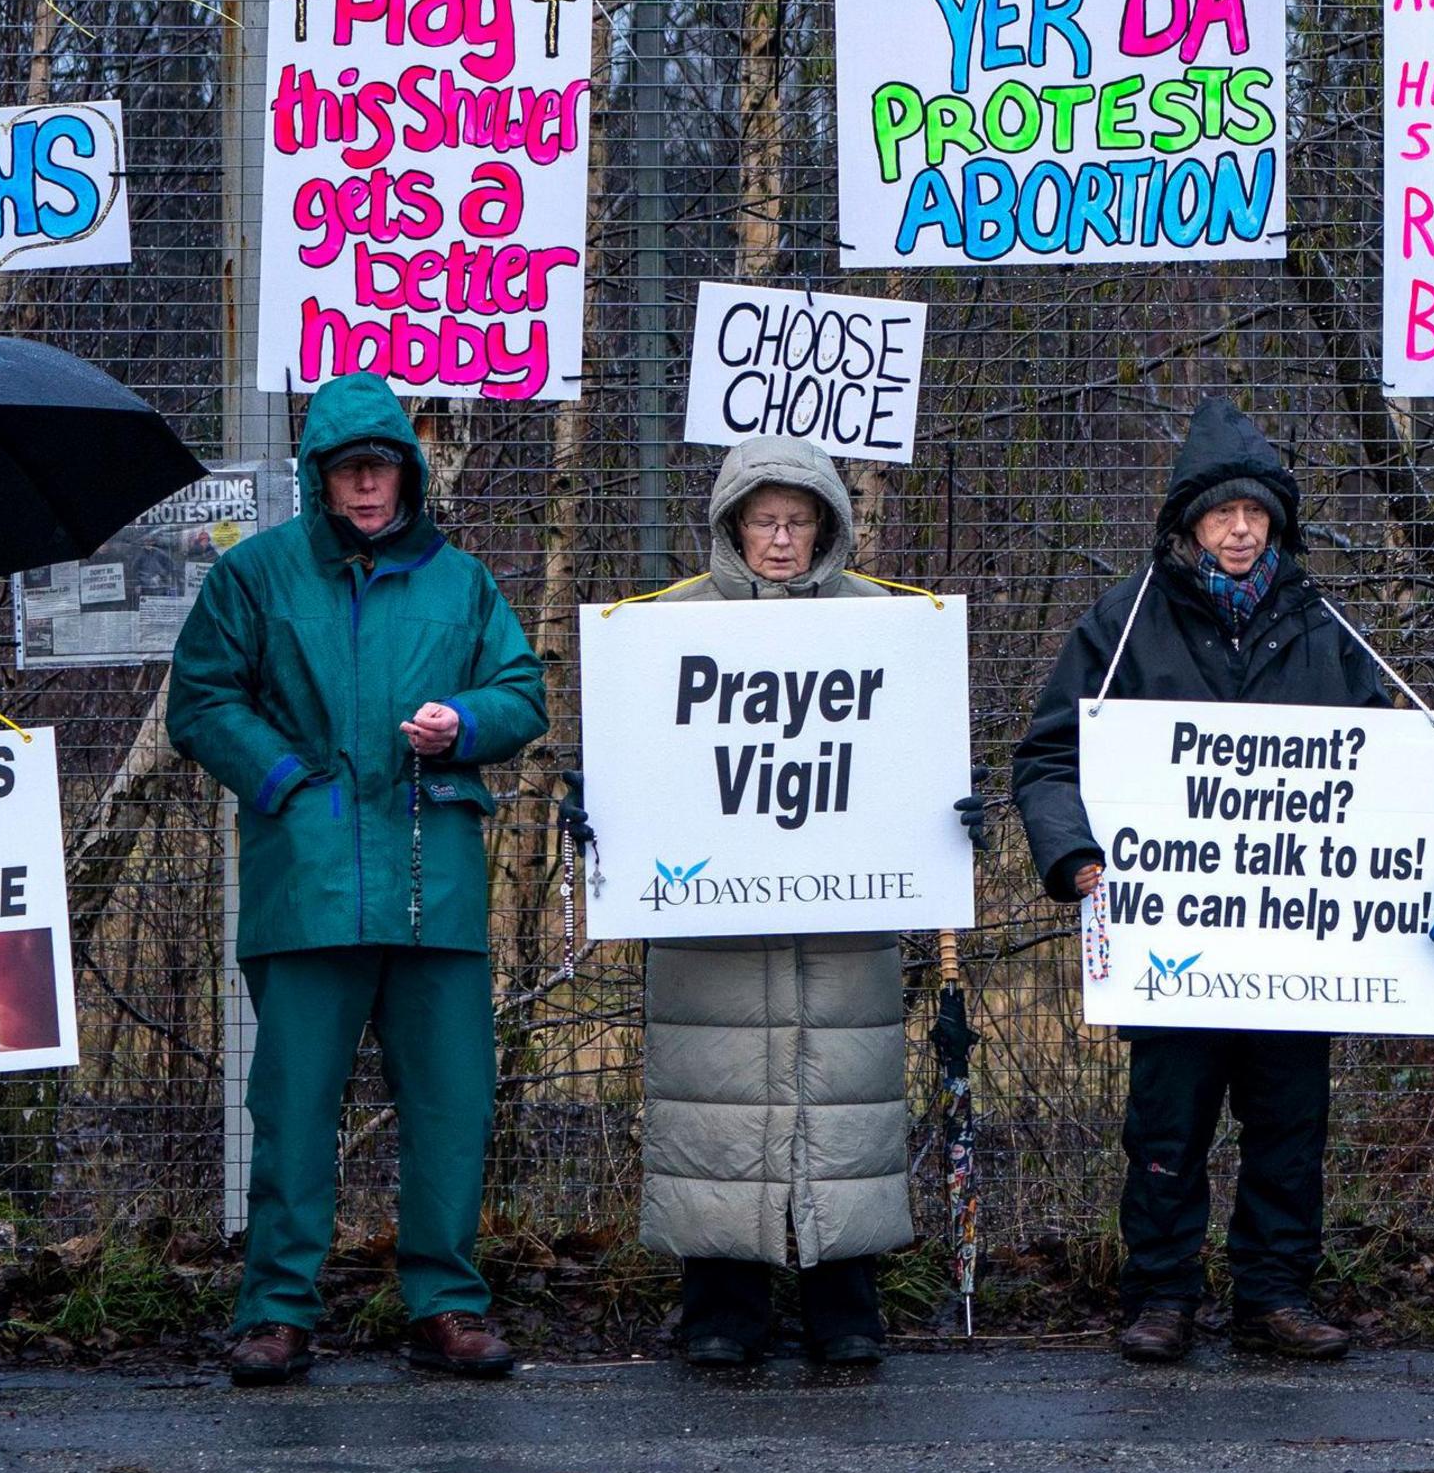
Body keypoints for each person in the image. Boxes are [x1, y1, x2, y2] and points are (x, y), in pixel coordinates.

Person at [169, 373, 549, 1387]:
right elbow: (201, 700)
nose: (368, 487)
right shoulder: (255, 578)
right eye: (349, 471)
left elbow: (523, 689)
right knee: (293, 1108)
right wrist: (287, 779)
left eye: (382, 468)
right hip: (310, 885)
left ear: (410, 472)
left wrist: (462, 724)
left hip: (438, 885)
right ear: (318, 478)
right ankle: (279, 1309)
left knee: (453, 1104)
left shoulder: (459, 582)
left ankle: (448, 1303)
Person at [1013, 397, 1399, 1368]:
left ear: (1277, 523)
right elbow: (1048, 760)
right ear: (1188, 523)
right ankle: (1163, 1295)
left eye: (1256, 514)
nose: (1238, 530)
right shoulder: (1125, 621)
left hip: (1294, 942)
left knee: (1289, 1125)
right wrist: (1073, 854)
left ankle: (1275, 1294)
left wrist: (1429, 857)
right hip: (1166, 938)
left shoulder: (1324, 628)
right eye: (1221, 514)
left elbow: (1388, 768)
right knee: (1166, 1126)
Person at [631, 436, 964, 1370]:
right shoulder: (668, 624)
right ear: (733, 525)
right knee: (717, 1102)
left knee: (842, 1097)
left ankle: (844, 1304)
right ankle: (721, 1307)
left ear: (829, 524)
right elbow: (641, 755)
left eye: (799, 520)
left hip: (841, 917)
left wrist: (947, 802)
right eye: (764, 520)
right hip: (714, 927)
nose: (780, 540)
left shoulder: (889, 624)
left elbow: (910, 751)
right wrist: (606, 810)